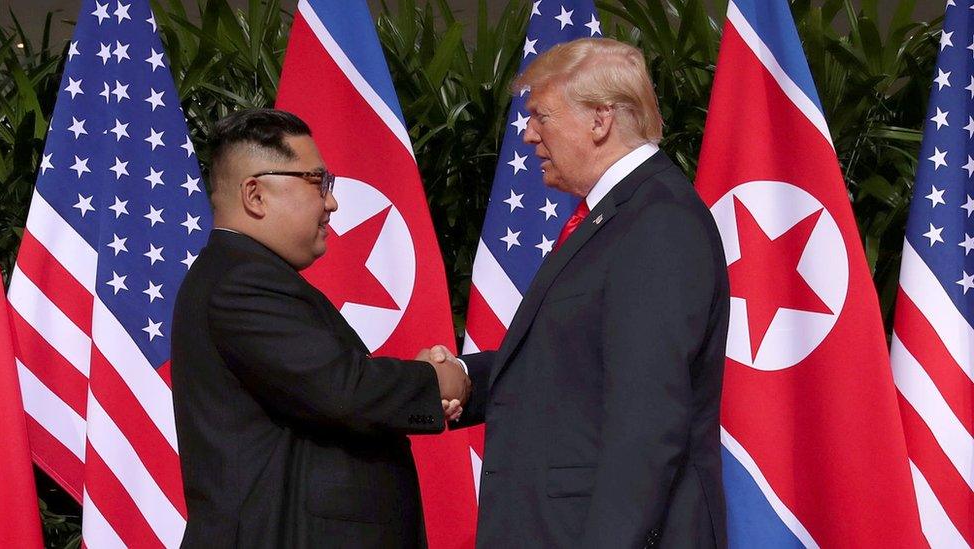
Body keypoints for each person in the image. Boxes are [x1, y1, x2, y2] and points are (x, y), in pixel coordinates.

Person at [445, 38, 730, 548]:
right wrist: (464, 377)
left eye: (541, 116)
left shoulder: (657, 222)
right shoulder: (617, 215)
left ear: (600, 119)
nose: (528, 134)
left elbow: (646, 420)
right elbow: (571, 370)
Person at [171, 109, 470, 548]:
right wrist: (436, 380)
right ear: (255, 195)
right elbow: (343, 389)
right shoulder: (241, 282)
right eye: (317, 182)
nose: (331, 202)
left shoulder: (247, 274)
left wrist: (466, 376)